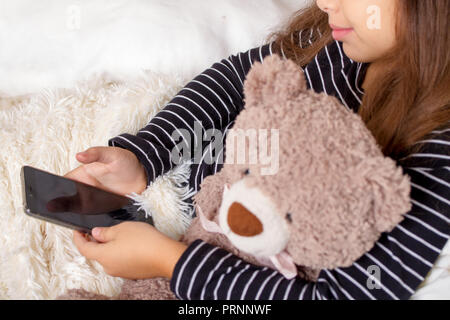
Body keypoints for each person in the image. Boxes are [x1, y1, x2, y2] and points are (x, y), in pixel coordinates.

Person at [65, 0, 450, 299]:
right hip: (193, 210)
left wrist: (170, 262)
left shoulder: (434, 159)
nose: (323, 3)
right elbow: (239, 77)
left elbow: (338, 293)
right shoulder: (339, 43)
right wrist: (147, 154)